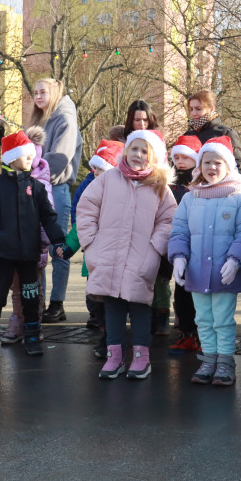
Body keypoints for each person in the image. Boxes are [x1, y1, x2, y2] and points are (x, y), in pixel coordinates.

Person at [77, 129, 177, 380]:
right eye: (134, 148)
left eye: (145, 151)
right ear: (126, 150)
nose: (138, 155)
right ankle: (115, 355)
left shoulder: (159, 186)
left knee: (141, 306)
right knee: (113, 306)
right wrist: (90, 242)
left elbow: (169, 219)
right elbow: (86, 208)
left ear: (153, 158)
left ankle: (142, 357)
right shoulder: (108, 179)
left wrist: (156, 247)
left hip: (142, 256)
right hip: (107, 255)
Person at [170, 136, 241, 386]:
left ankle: (225, 361)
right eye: (207, 162)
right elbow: (179, 231)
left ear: (228, 166)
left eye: (217, 162)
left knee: (222, 319)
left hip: (224, 274)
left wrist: (235, 260)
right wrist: (178, 256)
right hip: (197, 274)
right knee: (203, 319)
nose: (211, 167)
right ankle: (208, 359)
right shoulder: (191, 198)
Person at [0, 130, 65, 359]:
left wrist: (59, 241)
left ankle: (33, 336)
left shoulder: (35, 188)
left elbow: (49, 217)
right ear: (10, 157)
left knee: (30, 297)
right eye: (25, 155)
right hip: (1, 255)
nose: (31, 158)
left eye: (31, 155)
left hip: (28, 255)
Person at [62, 139, 124, 359]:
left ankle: (112, 340)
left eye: (99, 168)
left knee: (113, 304)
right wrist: (69, 246)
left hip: (117, 260)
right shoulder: (91, 192)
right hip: (95, 261)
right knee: (95, 302)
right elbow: (82, 223)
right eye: (94, 168)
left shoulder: (122, 195)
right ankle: (106, 336)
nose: (94, 172)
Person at [29, 78, 82, 324]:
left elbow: (59, 158)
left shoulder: (65, 119)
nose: (38, 96)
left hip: (56, 187)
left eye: (43, 92)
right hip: (36, 187)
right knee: (36, 247)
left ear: (56, 92)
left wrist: (32, 170)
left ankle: (57, 303)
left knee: (57, 247)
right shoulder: (39, 119)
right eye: (36, 92)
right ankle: (38, 299)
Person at [166, 135, 201, 355]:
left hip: (199, 244)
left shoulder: (200, 183)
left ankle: (199, 334)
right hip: (177, 243)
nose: (180, 161)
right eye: (176, 157)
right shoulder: (171, 185)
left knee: (196, 292)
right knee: (180, 292)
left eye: (185, 157)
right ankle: (187, 333)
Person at [184, 90, 241, 174]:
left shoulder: (225, 133)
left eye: (198, 109)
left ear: (211, 108)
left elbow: (238, 165)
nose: (194, 113)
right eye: (191, 109)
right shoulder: (187, 135)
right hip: (190, 185)